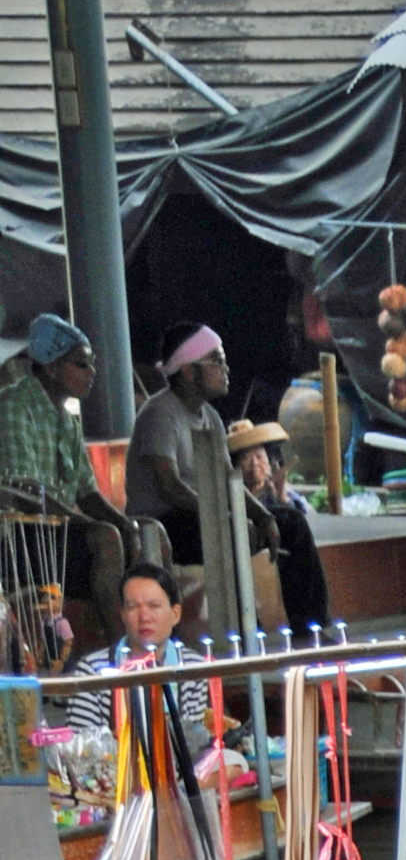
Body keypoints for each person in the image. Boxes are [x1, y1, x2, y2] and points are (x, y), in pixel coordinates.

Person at [0, 313, 130, 647]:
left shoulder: (68, 420)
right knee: (105, 537)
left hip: (58, 534)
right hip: (20, 537)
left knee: (144, 532)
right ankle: (121, 650)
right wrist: (91, 524)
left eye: (92, 364)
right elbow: (22, 491)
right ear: (52, 367)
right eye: (81, 365)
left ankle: (151, 638)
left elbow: (86, 493)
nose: (92, 373)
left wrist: (125, 523)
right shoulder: (15, 404)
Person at [126, 326, 273, 568]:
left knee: (290, 525)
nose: (225, 369)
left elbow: (227, 480)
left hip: (199, 515)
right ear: (188, 370)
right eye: (217, 361)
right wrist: (223, 511)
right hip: (162, 523)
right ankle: (237, 605)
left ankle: (299, 607)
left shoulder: (211, 416)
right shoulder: (160, 414)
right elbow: (169, 488)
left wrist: (262, 515)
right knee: (234, 528)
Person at [68, 557, 210, 747]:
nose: (144, 617)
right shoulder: (93, 668)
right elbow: (81, 744)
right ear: (123, 615)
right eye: (133, 607)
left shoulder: (194, 667)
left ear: (175, 614)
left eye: (154, 606)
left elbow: (192, 741)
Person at [231, 419, 326, 632]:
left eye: (259, 456)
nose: (255, 464)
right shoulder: (236, 494)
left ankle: (313, 623)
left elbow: (303, 518)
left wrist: (281, 496)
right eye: (246, 458)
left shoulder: (282, 492)